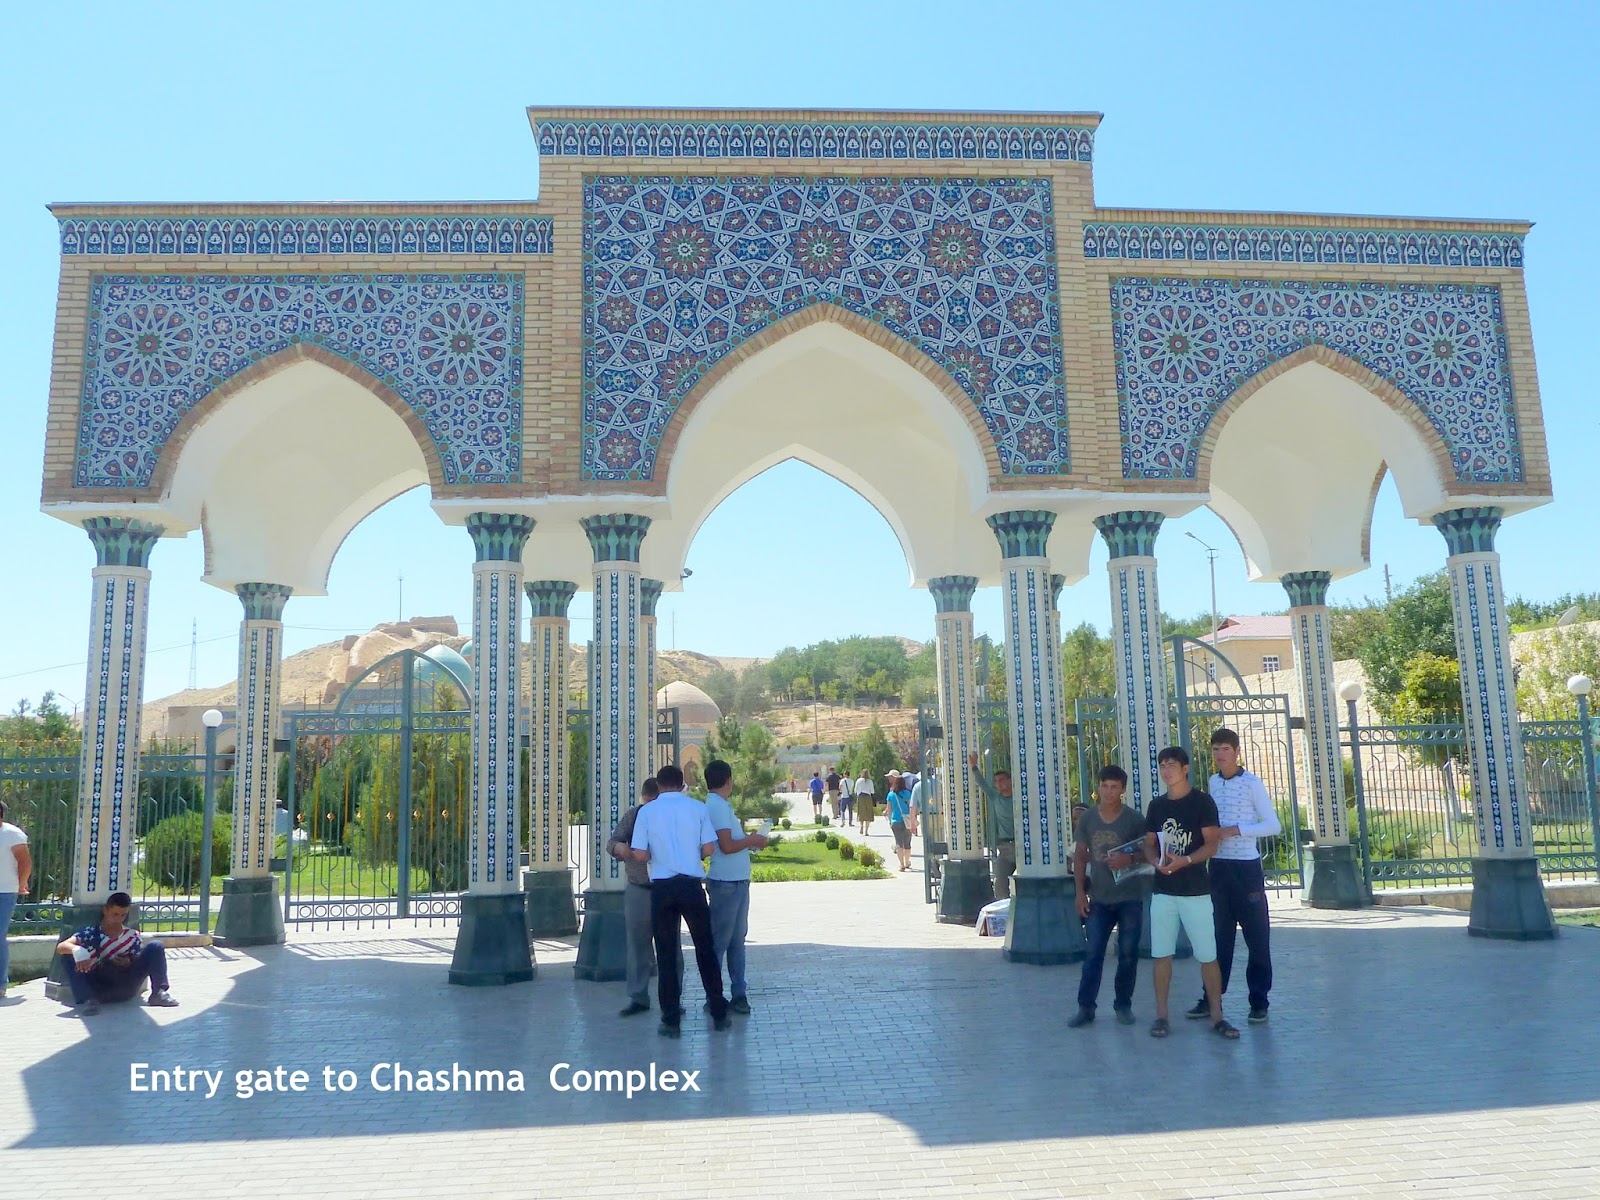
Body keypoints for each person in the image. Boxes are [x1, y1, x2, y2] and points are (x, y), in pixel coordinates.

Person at [628, 764, 729, 1038]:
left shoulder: (647, 812)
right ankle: (718, 1011)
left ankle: (671, 1019)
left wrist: (657, 855)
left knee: (666, 953)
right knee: (705, 948)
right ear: (682, 783)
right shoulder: (697, 808)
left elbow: (640, 854)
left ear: (659, 786)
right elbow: (709, 848)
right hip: (691, 886)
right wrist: (691, 855)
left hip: (662, 888)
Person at [1188, 728, 1281, 1025]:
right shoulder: (1213, 782)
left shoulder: (1252, 783)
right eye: (1216, 749)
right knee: (1218, 938)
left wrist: (1237, 830)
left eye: (1225, 749)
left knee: (1257, 938)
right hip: (1218, 868)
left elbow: (1273, 825)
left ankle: (1259, 1001)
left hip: (1246, 869)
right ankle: (1211, 999)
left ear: (1237, 751)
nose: (1220, 754)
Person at [1144, 747, 1236, 1040]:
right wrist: (1155, 861)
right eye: (1162, 765)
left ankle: (1217, 1015)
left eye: (1171, 765)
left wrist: (1185, 860)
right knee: (1161, 954)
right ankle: (1161, 1015)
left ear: (1185, 768)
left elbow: (1212, 844)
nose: (1166, 770)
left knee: (1208, 955)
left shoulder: (1202, 802)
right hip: (1164, 891)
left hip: (1195, 890)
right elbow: (1148, 843)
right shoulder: (1156, 806)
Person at [1068, 766, 1148, 1028]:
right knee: (1093, 953)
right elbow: (1080, 856)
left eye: (1114, 787)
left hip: (1130, 896)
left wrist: (1129, 858)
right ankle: (1085, 1007)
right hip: (1099, 898)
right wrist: (1080, 893)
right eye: (1105, 786)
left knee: (1128, 953)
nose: (1109, 792)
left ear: (1123, 789)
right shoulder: (1088, 819)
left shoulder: (1134, 819)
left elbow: (1150, 853)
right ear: (1098, 787)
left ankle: (1123, 1005)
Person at [608, 776, 679, 1017]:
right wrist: (620, 848)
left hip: (666, 888)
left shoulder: (671, 817)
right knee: (637, 946)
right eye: (647, 803)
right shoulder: (634, 816)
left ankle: (673, 998)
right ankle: (638, 997)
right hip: (639, 889)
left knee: (671, 946)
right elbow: (612, 842)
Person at [704, 758, 769, 1016]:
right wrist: (752, 840)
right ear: (729, 781)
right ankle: (715, 996)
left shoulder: (720, 805)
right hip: (726, 882)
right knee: (721, 942)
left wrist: (749, 841)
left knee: (736, 940)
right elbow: (727, 846)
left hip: (736, 880)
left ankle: (738, 993)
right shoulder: (717, 806)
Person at [55, 892, 178, 1014]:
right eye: (115, 914)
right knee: (68, 956)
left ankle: (158, 993)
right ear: (105, 910)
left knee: (156, 946)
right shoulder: (90, 934)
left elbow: (137, 960)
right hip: (100, 987)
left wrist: (127, 961)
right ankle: (88, 1001)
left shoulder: (132, 936)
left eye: (123, 915)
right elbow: (61, 947)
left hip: (126, 985)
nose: (118, 919)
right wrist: (78, 950)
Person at [968, 752, 1016, 900]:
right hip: (1005, 847)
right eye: (996, 781)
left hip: (1023, 846)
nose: (999, 783)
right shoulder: (996, 797)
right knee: (1000, 882)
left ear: (1010, 781)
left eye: (1002, 780)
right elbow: (982, 783)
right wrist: (974, 767)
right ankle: (1004, 908)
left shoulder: (1020, 798)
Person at [1, 800, 32, 1000]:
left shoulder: (12, 834)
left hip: (4, 891)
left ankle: (1, 983)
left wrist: (21, 884)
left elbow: (25, 862)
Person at [885, 771, 914, 872]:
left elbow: (889, 810)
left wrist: (890, 821)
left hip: (896, 820)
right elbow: (912, 807)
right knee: (907, 843)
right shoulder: (908, 793)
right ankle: (907, 862)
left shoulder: (891, 795)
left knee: (899, 843)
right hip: (907, 820)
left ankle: (901, 864)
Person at [854, 768, 876, 835]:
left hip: (860, 797)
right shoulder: (870, 781)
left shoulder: (859, 781)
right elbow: (872, 791)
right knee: (868, 813)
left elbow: (855, 790)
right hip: (868, 797)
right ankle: (866, 831)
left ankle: (861, 826)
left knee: (861, 812)